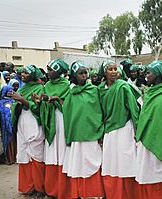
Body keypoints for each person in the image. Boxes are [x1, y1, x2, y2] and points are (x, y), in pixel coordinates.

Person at [135, 60, 162, 199]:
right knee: (147, 175)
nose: (145, 75)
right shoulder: (148, 92)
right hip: (146, 139)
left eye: (149, 72)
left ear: (158, 73)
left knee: (161, 176)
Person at [62, 61, 105, 198]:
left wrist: (100, 130)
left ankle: (95, 193)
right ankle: (81, 193)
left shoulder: (95, 90)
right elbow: (68, 115)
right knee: (79, 165)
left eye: (85, 72)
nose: (84, 75)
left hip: (92, 133)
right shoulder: (71, 93)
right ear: (75, 75)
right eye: (80, 73)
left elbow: (101, 110)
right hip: (76, 135)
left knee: (93, 162)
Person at [98, 59, 139, 199]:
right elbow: (99, 112)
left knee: (125, 162)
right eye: (110, 69)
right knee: (111, 163)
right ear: (104, 72)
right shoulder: (100, 89)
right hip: (109, 131)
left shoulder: (123, 87)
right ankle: (113, 194)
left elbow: (134, 109)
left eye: (116, 69)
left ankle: (128, 194)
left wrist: (136, 129)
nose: (114, 72)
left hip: (124, 129)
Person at [37, 59, 70, 198]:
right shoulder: (47, 85)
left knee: (61, 153)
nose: (48, 72)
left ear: (58, 71)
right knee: (51, 154)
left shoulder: (67, 85)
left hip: (61, 121)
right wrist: (41, 101)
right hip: (50, 121)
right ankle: (51, 190)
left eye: (51, 70)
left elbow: (68, 106)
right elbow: (43, 102)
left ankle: (64, 190)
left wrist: (57, 100)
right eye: (48, 69)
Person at [11, 65, 45, 196]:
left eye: (26, 72)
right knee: (24, 154)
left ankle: (39, 187)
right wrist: (17, 103)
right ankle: (28, 187)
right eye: (21, 72)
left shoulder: (40, 88)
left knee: (36, 155)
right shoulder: (22, 88)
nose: (22, 74)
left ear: (33, 75)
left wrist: (22, 100)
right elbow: (16, 107)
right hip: (22, 124)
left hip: (34, 124)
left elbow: (39, 109)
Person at [0, 85, 16, 165]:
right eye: (10, 91)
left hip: (13, 125)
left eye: (12, 91)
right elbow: (3, 113)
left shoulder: (13, 101)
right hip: (6, 125)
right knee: (8, 142)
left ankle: (14, 158)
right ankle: (8, 159)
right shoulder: (2, 102)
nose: (11, 92)